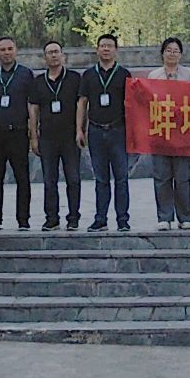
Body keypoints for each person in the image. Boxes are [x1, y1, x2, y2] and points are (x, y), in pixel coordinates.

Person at [0, 36, 37, 231]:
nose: (6, 53)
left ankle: (23, 220)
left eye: (10, 49)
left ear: (16, 50)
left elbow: (32, 105)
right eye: (2, 49)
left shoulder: (26, 74)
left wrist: (33, 134)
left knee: (22, 178)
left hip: (18, 132)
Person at [79, 31, 132, 232]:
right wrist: (79, 129)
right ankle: (100, 219)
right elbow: (82, 103)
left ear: (116, 50)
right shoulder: (89, 75)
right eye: (103, 46)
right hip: (95, 131)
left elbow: (132, 104)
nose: (106, 49)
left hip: (118, 130)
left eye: (110, 46)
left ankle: (122, 219)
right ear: (97, 50)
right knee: (101, 179)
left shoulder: (124, 74)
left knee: (121, 178)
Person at [146, 36, 190, 231]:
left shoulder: (189, 75)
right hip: (161, 132)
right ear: (162, 53)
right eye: (169, 50)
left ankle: (185, 217)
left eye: (176, 51)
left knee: (183, 178)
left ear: (181, 54)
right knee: (162, 177)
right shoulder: (153, 75)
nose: (172, 54)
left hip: (183, 132)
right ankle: (164, 217)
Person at [33, 39, 82, 230]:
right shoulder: (38, 81)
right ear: (44, 57)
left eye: (56, 52)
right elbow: (33, 109)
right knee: (49, 180)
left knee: (73, 179)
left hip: (70, 136)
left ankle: (73, 217)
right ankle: (52, 218)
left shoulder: (74, 78)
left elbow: (81, 105)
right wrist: (34, 136)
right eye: (50, 52)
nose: (53, 55)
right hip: (47, 137)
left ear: (63, 55)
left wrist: (80, 130)